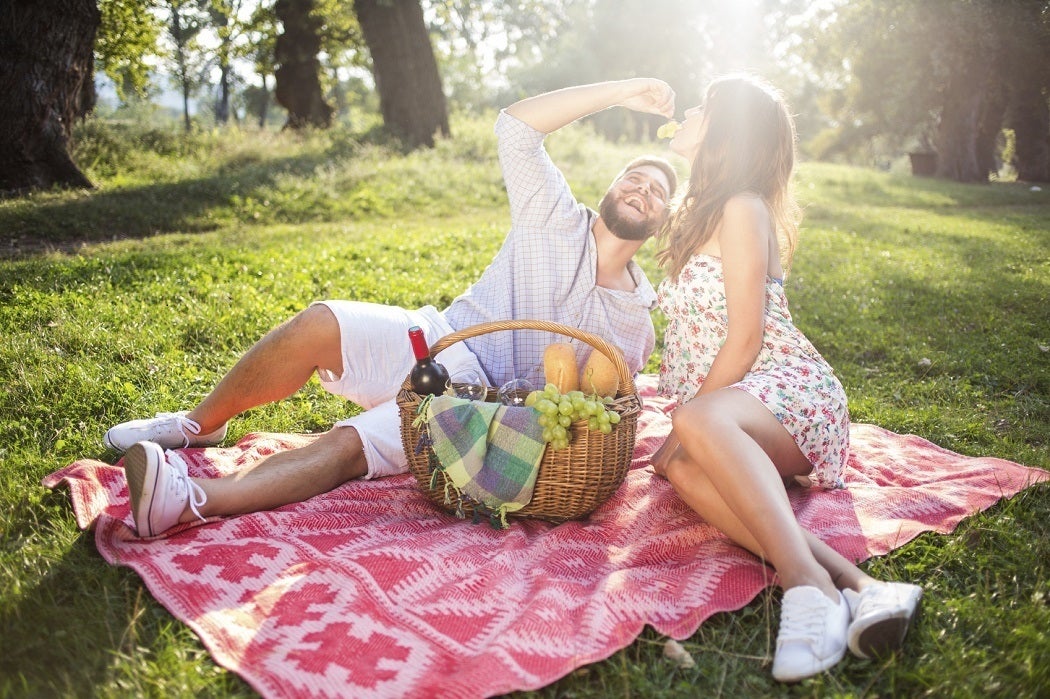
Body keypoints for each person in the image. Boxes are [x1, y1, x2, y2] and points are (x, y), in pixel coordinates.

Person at [106, 79, 679, 539]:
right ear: (608, 188)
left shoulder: (635, 319)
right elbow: (517, 125)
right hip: (442, 338)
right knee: (319, 322)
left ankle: (186, 502)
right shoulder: (551, 213)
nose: (643, 190)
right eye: (635, 177)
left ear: (662, 222)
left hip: (483, 413)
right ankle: (199, 426)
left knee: (346, 448)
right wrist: (623, 91)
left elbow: (602, 402)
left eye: (658, 192)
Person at [649, 74, 922, 683]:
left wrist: (685, 422)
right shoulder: (701, 212)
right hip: (739, 403)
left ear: (726, 131)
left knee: (691, 431)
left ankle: (806, 589)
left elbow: (746, 340)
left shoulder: (742, 208)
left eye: (703, 105)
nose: (689, 111)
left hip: (790, 390)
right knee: (686, 469)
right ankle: (861, 586)